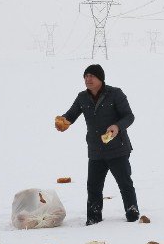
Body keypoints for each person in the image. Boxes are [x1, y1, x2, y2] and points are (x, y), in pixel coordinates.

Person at [55, 64, 139, 225]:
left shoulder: (115, 94)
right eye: (86, 76)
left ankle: (132, 213)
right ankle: (93, 218)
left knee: (124, 183)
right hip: (96, 150)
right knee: (93, 187)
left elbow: (129, 116)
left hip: (117, 149)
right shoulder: (82, 97)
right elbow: (71, 115)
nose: (88, 79)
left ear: (101, 78)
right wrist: (63, 122)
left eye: (92, 76)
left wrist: (117, 126)